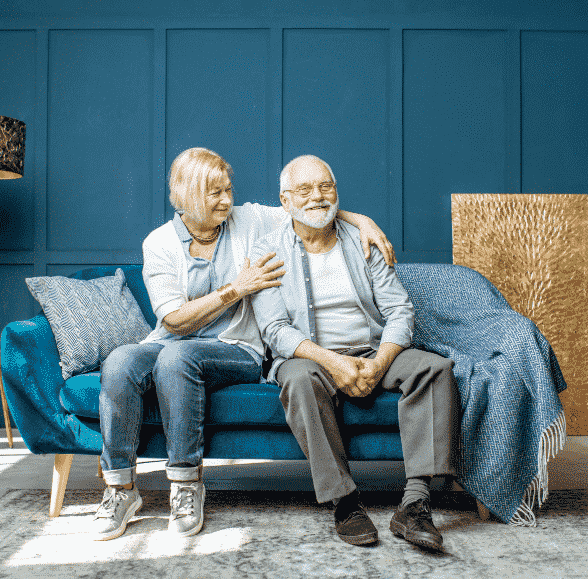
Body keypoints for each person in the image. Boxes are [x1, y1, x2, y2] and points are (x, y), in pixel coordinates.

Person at [92, 147, 395, 541]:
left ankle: (185, 484)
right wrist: (237, 288)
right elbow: (173, 320)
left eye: (228, 189)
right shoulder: (159, 243)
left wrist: (363, 221)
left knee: (176, 360)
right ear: (185, 197)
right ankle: (119, 489)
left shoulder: (247, 219)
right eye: (214, 193)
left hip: (236, 348)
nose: (226, 200)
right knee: (119, 361)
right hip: (174, 339)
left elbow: (308, 207)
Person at [249, 154, 459, 551]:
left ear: (337, 192)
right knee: (297, 378)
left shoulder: (364, 240)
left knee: (434, 368)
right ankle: (345, 503)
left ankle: (415, 504)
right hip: (311, 358)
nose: (317, 197)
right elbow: (276, 331)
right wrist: (334, 362)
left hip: (372, 349)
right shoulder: (267, 251)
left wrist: (379, 363)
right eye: (305, 190)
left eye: (325, 186)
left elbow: (400, 310)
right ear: (285, 200)